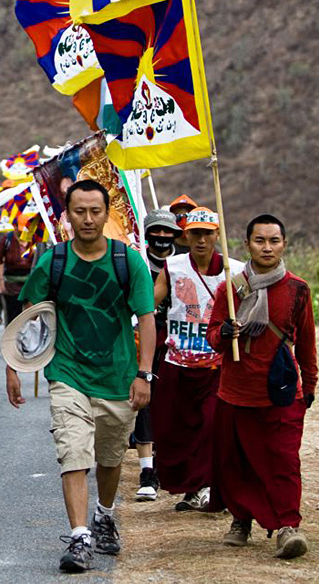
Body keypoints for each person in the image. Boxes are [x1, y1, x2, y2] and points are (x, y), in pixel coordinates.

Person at [9, 179, 156, 573]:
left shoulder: (129, 261)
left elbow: (146, 318)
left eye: (95, 211)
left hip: (118, 377)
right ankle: (79, 536)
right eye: (80, 211)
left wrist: (144, 374)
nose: (88, 219)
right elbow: (30, 317)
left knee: (109, 459)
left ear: (108, 214)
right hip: (68, 374)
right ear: (67, 215)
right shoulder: (52, 262)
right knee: (73, 453)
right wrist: (14, 366)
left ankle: (104, 516)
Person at [206, 214, 317, 559]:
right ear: (247, 245)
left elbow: (307, 343)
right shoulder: (231, 287)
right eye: (259, 241)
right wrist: (224, 334)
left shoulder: (298, 290)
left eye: (273, 241)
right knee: (238, 461)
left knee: (283, 461)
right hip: (237, 391)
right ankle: (241, 519)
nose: (266, 247)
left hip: (282, 392)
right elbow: (213, 336)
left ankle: (288, 528)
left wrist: (309, 384)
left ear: (284, 244)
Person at [151, 207, 244, 512]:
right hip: (177, 362)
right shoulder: (173, 267)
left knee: (210, 427)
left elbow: (250, 308)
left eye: (207, 234)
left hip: (217, 365)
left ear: (217, 235)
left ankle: (209, 487)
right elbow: (150, 300)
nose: (201, 240)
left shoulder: (235, 270)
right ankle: (192, 489)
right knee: (174, 430)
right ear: (186, 235)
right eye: (195, 234)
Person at [130, 208, 184, 502]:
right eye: (156, 232)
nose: (162, 237)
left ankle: (173, 464)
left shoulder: (184, 264)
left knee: (175, 402)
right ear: (146, 234)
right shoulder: (135, 263)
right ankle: (147, 472)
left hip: (180, 344)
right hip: (144, 341)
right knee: (145, 401)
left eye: (168, 232)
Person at [0, 215, 36, 326]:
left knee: (29, 315)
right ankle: (11, 340)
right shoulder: (7, 239)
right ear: (15, 226)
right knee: (12, 314)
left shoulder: (34, 239)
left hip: (29, 282)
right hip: (11, 283)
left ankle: (25, 340)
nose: (23, 232)